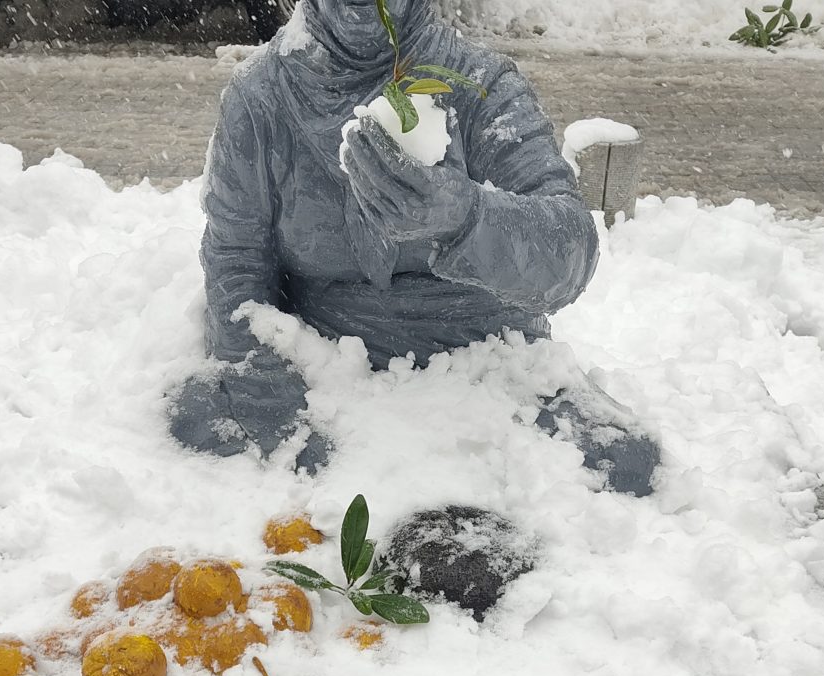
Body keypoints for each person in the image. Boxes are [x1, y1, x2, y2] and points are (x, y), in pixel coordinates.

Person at [168, 0, 659, 496]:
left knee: (626, 465)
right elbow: (237, 267)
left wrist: (465, 216)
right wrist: (267, 385)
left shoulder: (478, 84)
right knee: (218, 438)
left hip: (483, 367)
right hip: (333, 370)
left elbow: (569, 250)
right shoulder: (260, 96)